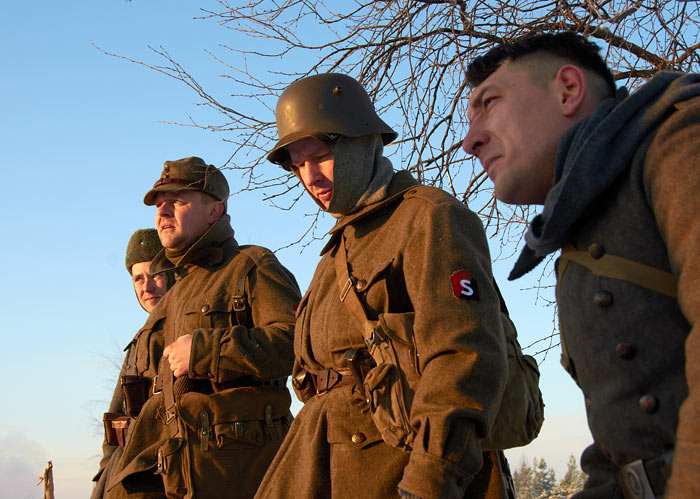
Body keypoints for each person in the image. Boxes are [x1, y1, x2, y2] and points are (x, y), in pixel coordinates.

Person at [462, 31, 700, 498]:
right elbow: (622, 447)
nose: (471, 141)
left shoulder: (679, 140)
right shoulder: (580, 231)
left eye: (489, 103)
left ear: (568, 90)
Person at [256, 73, 516, 498]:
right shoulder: (338, 249)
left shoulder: (428, 218)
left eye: (320, 156)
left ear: (363, 143)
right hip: (326, 460)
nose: (310, 177)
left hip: (397, 470)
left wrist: (429, 480)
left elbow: (465, 355)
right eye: (298, 165)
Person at [106, 157, 301, 499]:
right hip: (174, 468)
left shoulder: (251, 267)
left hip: (236, 471)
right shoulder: (174, 292)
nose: (163, 213)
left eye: (177, 201)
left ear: (215, 210)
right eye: (159, 205)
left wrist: (205, 352)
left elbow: (297, 343)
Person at [92, 228, 170, 499]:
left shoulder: (189, 331)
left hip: (164, 475)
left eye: (156, 275)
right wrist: (105, 475)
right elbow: (115, 421)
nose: (146, 287)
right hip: (126, 473)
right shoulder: (137, 346)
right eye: (138, 278)